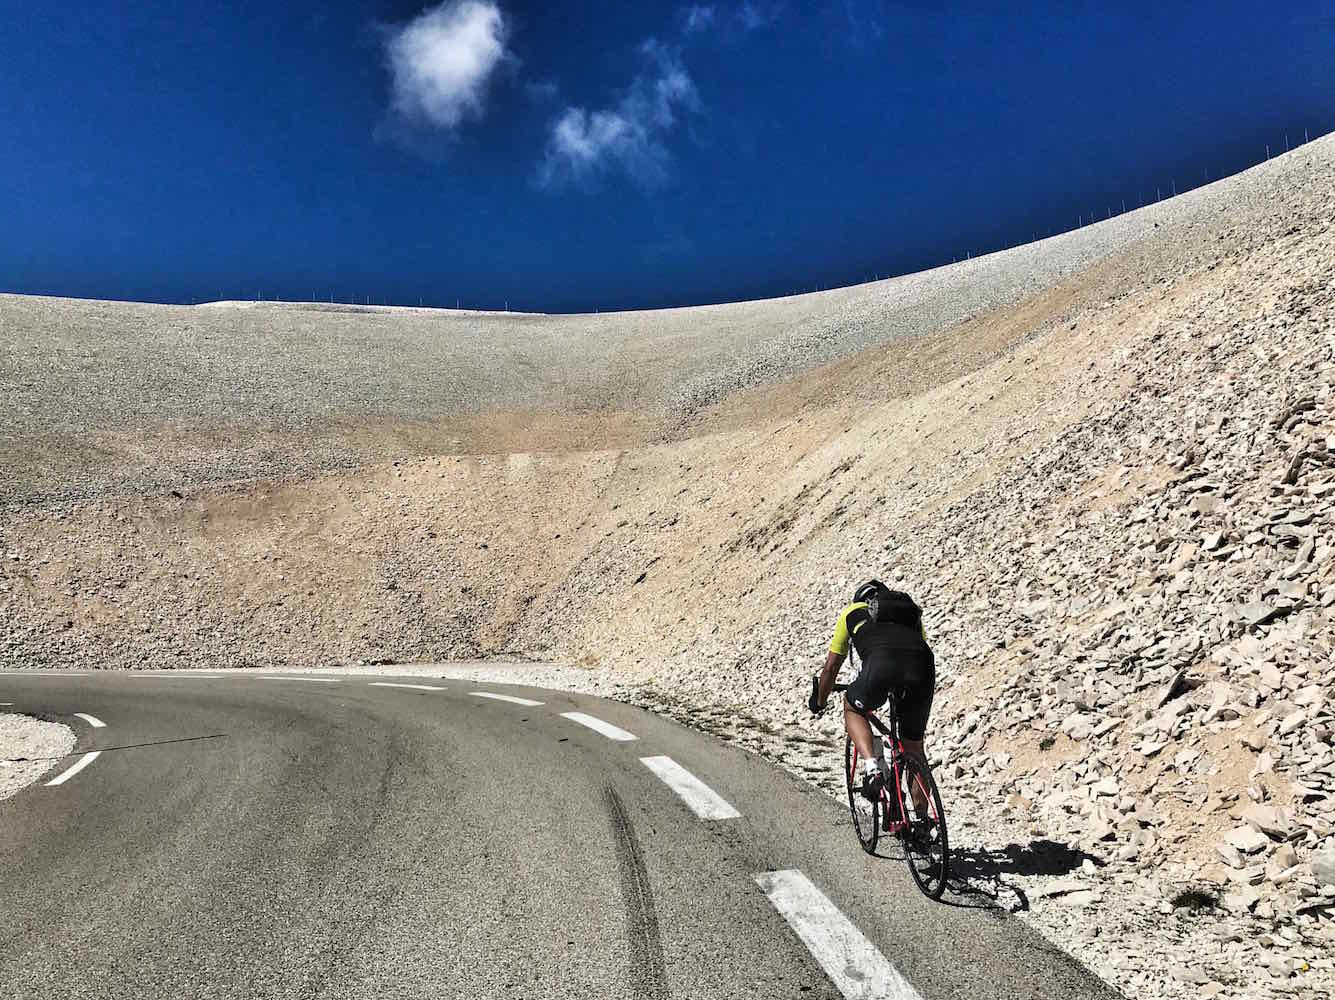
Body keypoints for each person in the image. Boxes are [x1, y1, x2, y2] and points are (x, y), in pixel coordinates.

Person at [809, 580, 935, 799]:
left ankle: (872, 768)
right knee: (914, 748)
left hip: (880, 665)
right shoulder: (907, 614)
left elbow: (831, 668)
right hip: (921, 666)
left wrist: (820, 701)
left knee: (852, 706)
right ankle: (924, 825)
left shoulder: (851, 612)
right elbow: (916, 646)